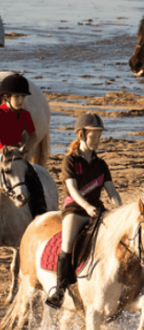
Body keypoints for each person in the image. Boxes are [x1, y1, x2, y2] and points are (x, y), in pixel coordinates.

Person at [45, 113, 122, 309]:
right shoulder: (70, 161)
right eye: (93, 136)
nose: (97, 140)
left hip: (97, 210)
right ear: (81, 135)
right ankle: (60, 290)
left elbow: (111, 191)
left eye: (99, 136)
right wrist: (86, 207)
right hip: (75, 210)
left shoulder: (101, 164)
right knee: (68, 243)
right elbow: (72, 190)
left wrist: (121, 209)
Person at [0, 73, 36, 151]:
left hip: (17, 153)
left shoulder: (25, 114)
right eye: (16, 96)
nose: (20, 100)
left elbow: (33, 135)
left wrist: (28, 145)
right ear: (7, 97)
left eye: (23, 96)